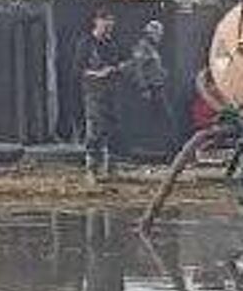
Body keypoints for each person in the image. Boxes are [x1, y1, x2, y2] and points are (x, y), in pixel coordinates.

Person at [73, 9, 126, 181]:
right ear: (96, 21)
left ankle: (111, 168)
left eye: (111, 21)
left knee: (112, 128)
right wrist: (97, 74)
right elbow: (78, 69)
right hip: (93, 91)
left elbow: (121, 63)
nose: (109, 25)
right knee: (94, 128)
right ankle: (92, 169)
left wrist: (116, 69)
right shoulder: (86, 43)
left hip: (112, 91)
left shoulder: (112, 44)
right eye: (105, 20)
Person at [129, 19, 175, 153]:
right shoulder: (142, 47)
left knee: (163, 119)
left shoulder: (152, 49)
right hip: (150, 89)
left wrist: (162, 72)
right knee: (159, 118)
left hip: (158, 87)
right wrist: (143, 88)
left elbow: (151, 66)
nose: (159, 37)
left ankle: (161, 148)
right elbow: (138, 68)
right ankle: (146, 148)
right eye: (157, 34)